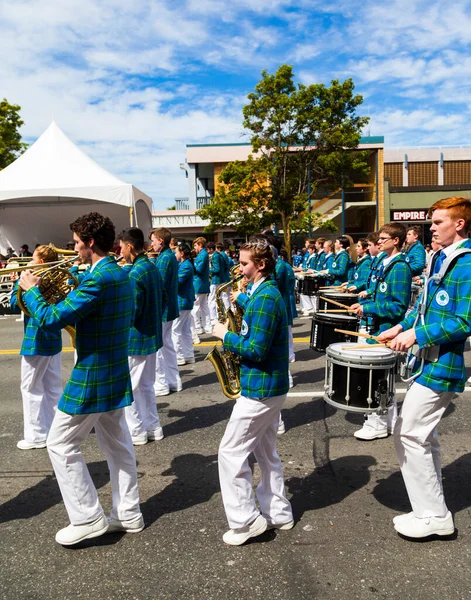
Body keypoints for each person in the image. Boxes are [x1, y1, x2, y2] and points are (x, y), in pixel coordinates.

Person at [18, 212, 143, 546]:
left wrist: (31, 290)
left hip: (93, 373)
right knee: (117, 446)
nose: (72, 248)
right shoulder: (118, 273)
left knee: (59, 443)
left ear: (90, 242)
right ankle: (128, 514)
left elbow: (50, 319)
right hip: (114, 369)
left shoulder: (98, 279)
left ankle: (87, 517)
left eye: (75, 243)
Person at [378, 196, 471, 539]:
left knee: (409, 435)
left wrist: (417, 334)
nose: (430, 229)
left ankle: (434, 515)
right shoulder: (441, 258)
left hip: (443, 364)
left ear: (459, 224)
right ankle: (431, 509)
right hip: (427, 362)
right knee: (421, 436)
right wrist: (401, 327)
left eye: (437, 222)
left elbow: (465, 321)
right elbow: (423, 307)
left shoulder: (466, 263)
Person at [213, 239, 293, 546]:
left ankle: (246, 521)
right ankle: (278, 513)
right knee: (265, 452)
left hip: (260, 388)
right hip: (270, 388)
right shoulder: (263, 293)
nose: (239, 269)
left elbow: (256, 350)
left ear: (260, 265)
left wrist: (225, 335)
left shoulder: (266, 297)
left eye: (245, 264)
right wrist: (243, 301)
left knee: (230, 453)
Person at [350, 223, 412, 440]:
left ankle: (376, 423)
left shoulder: (400, 267)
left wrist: (368, 307)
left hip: (388, 329)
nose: (378, 242)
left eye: (383, 239)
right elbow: (379, 295)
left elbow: (398, 306)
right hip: (377, 326)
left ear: (396, 240)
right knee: (383, 379)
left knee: (377, 378)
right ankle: (388, 422)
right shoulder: (384, 262)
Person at [10, 245, 63, 450]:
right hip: (53, 339)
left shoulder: (32, 280)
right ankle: (55, 430)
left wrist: (21, 284)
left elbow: (16, 304)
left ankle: (36, 435)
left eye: (32, 259)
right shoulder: (57, 278)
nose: (29, 262)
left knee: (30, 388)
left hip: (36, 339)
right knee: (52, 387)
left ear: (41, 262)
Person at [118, 227, 165, 446]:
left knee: (131, 387)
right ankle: (153, 427)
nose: (120, 251)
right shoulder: (151, 267)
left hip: (136, 338)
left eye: (121, 246)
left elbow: (131, 312)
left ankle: (137, 431)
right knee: (146, 386)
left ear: (129, 246)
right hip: (151, 336)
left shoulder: (136, 272)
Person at [149, 227, 182, 396]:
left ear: (160, 241)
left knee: (159, 348)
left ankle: (161, 383)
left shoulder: (164, 258)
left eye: (153, 240)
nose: (151, 243)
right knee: (167, 346)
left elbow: (158, 286)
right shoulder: (168, 256)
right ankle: (173, 381)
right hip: (169, 308)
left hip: (163, 310)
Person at [172, 243, 196, 366]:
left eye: (176, 252)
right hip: (184, 301)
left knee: (175, 330)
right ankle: (188, 355)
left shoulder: (186, 266)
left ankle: (179, 357)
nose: (174, 254)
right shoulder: (184, 264)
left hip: (182, 301)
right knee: (185, 330)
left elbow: (178, 282)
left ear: (181, 253)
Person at [191, 236, 211, 337]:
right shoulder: (203, 254)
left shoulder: (202, 255)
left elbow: (198, 269)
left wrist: (191, 264)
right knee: (204, 306)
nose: (194, 248)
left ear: (200, 245)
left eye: (195, 245)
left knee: (196, 307)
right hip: (202, 283)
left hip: (198, 283)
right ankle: (207, 326)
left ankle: (198, 327)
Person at [208, 241, 223, 324]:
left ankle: (213, 317)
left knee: (211, 299)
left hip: (215, 280)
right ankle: (216, 316)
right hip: (219, 279)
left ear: (210, 249)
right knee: (217, 299)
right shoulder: (218, 255)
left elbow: (216, 269)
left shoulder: (215, 256)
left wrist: (208, 270)